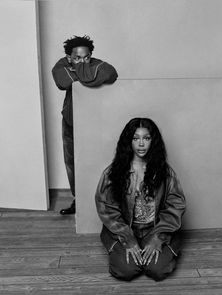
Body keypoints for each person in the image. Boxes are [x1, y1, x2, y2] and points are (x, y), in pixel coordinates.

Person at [95, 118, 186, 281]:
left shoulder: (166, 173)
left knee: (158, 270)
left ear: (153, 141)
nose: (141, 144)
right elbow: (107, 209)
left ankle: (157, 251)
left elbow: (175, 206)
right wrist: (128, 239)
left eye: (147, 138)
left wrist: (158, 237)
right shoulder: (112, 173)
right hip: (126, 230)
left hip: (155, 229)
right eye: (136, 138)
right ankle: (132, 254)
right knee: (126, 270)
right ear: (128, 141)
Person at [52, 35, 118, 215]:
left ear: (91, 55)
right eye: (77, 58)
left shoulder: (99, 64)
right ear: (68, 58)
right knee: (72, 163)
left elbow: (111, 74)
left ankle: (102, 201)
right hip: (70, 121)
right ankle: (79, 202)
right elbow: (63, 81)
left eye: (86, 57)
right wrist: (87, 73)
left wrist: (78, 71)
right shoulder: (61, 65)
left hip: (94, 120)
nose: (83, 61)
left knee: (98, 160)